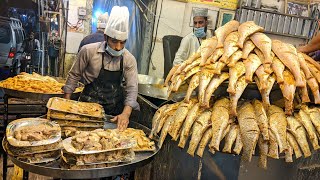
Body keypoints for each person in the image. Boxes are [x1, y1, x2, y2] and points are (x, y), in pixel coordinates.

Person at [63, 6, 139, 131]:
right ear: (105, 37)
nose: (118, 47)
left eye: (122, 42)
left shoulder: (129, 59)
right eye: (114, 41)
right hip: (86, 108)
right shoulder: (88, 51)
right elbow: (74, 76)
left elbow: (132, 88)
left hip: (113, 111)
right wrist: (65, 105)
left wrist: (125, 114)